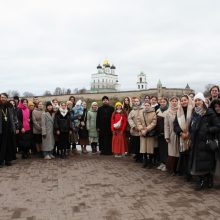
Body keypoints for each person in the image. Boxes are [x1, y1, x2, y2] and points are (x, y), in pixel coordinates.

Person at [189, 92, 220, 190]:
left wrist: (208, 129)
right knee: (198, 162)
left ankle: (208, 179)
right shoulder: (194, 113)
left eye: (199, 100)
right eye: (196, 100)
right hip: (197, 142)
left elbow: (218, 126)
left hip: (206, 141)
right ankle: (201, 180)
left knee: (207, 162)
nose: (197, 102)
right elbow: (191, 126)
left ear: (203, 101)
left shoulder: (210, 112)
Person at [174, 95, 194, 180]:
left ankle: (192, 172)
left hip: (191, 137)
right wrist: (181, 133)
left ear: (188, 100)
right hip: (182, 138)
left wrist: (189, 133)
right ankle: (187, 173)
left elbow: (195, 123)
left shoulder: (193, 110)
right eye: (181, 100)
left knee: (191, 156)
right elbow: (175, 125)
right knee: (185, 156)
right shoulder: (178, 111)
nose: (183, 102)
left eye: (185, 100)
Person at [0, 93, 18, 167]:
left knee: (9, 145)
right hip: (1, 129)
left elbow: (14, 117)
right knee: (1, 146)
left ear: (7, 98)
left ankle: (8, 160)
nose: (2, 98)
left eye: (4, 97)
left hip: (9, 129)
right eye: (1, 97)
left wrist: (16, 127)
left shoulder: (10, 106)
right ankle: (0, 161)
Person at [137, 102, 157, 168]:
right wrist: (141, 129)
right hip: (142, 133)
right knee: (143, 148)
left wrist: (147, 129)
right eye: (145, 105)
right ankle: (145, 161)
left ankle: (150, 162)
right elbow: (138, 122)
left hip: (149, 133)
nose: (146, 106)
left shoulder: (153, 113)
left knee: (150, 149)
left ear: (150, 106)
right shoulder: (140, 112)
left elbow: (154, 123)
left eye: (148, 105)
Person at [164, 97, 179, 175]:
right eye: (172, 101)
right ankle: (171, 169)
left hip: (179, 134)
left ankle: (178, 169)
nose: (174, 102)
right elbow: (166, 125)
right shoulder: (167, 112)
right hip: (171, 134)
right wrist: (167, 136)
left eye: (175, 101)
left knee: (179, 152)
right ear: (170, 102)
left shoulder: (180, 111)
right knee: (172, 153)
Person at [155, 97, 169, 171]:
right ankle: (162, 163)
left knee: (166, 150)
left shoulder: (169, 110)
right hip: (159, 133)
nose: (162, 103)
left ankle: (166, 164)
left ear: (166, 102)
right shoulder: (157, 110)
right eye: (161, 102)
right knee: (161, 149)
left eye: (164, 102)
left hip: (166, 133)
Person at [210, 99, 220, 187]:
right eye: (216, 106)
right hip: (216, 141)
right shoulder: (213, 117)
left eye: (219, 106)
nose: (217, 108)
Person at [128, 98, 142, 162]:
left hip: (141, 130)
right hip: (134, 130)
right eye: (135, 101)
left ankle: (140, 157)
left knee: (140, 144)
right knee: (135, 144)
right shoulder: (132, 111)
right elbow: (129, 119)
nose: (136, 102)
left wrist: (141, 127)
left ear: (139, 102)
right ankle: (136, 156)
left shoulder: (143, 110)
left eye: (137, 101)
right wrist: (133, 126)